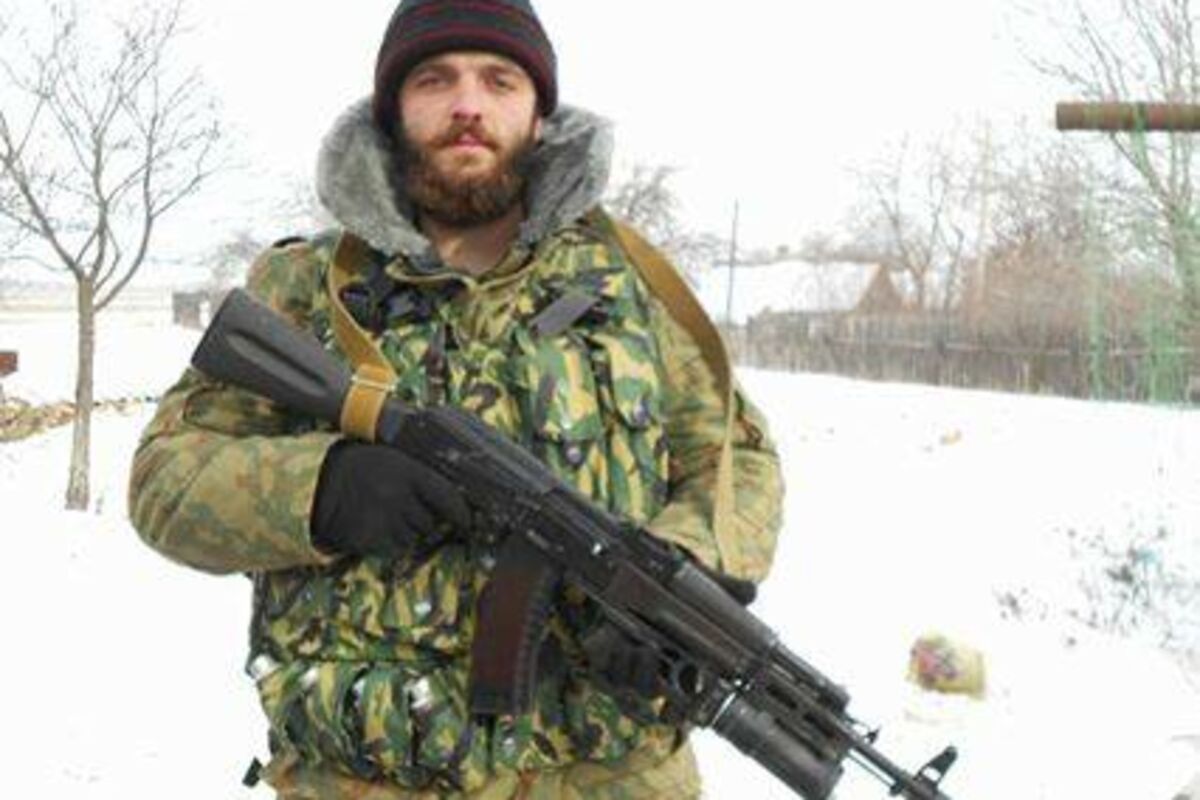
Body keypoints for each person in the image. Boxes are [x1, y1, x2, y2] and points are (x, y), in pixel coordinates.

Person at [128, 1, 783, 797]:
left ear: (539, 115)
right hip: (361, 777)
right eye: (435, 80)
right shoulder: (304, 287)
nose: (468, 105)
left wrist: (682, 576)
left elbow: (737, 461)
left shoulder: (634, 290)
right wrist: (322, 488)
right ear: (392, 111)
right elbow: (165, 480)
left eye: (499, 81)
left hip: (613, 776)